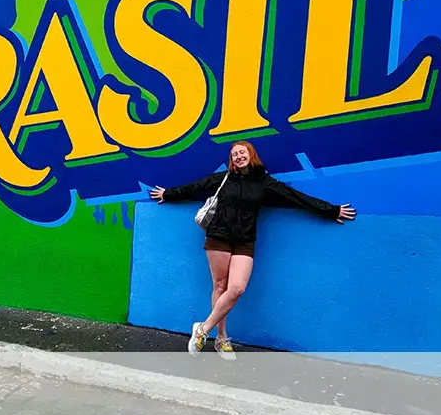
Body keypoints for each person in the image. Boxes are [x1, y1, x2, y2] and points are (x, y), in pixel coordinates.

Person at [148, 141, 356, 359]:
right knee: (220, 285)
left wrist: (330, 210)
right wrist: (168, 194)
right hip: (218, 236)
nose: (238, 156)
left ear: (251, 155)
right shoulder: (224, 178)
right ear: (232, 160)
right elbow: (195, 187)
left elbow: (295, 197)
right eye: (234, 154)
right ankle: (221, 338)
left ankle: (202, 329)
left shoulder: (264, 182)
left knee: (237, 288)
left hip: (244, 241)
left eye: (242, 152)